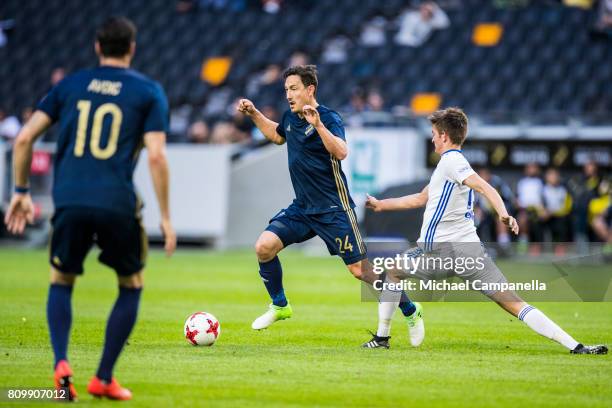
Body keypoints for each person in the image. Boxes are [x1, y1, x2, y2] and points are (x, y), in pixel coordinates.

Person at [3, 16, 177, 401]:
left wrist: (20, 191)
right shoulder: (148, 92)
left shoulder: (70, 85)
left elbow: (24, 139)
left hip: (69, 198)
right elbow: (158, 158)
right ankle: (103, 377)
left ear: (97, 47)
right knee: (131, 284)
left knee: (61, 279)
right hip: (116, 201)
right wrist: (165, 218)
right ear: (132, 48)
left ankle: (61, 364)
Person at [364, 107, 607, 354]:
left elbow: (484, 187)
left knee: (391, 272)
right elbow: (420, 198)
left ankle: (383, 337)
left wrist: (503, 214)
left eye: (435, 134)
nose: (433, 139)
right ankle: (576, 346)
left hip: (441, 253)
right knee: (514, 303)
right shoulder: (449, 166)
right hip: (470, 253)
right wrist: (381, 204)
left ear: (445, 136)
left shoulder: (453, 161)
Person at [237, 65, 423, 346]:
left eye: (294, 88)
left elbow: (342, 151)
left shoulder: (330, 118)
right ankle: (280, 305)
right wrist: (254, 114)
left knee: (361, 272)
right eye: (286, 89)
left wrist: (318, 125)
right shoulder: (289, 117)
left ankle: (411, 310)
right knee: (264, 247)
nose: (288, 94)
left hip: (334, 209)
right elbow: (277, 136)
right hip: (302, 208)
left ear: (310, 89)